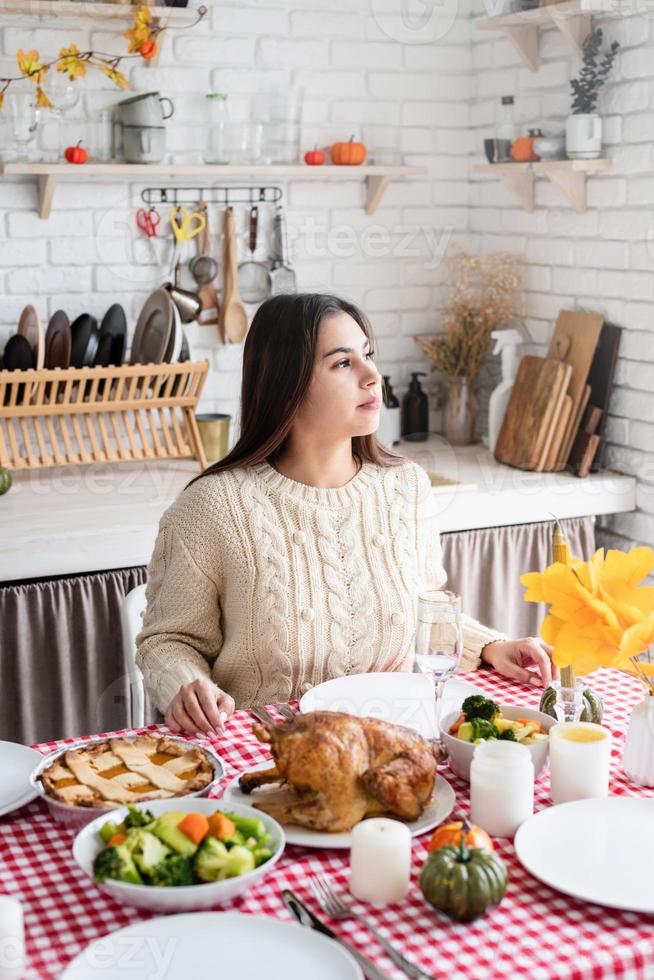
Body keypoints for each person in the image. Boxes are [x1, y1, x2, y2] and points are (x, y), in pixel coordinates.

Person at [136, 293, 556, 738]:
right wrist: (187, 683)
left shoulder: (406, 488)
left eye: (368, 355)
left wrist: (494, 645)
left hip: (393, 741)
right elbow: (167, 641)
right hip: (268, 750)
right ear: (286, 383)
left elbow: (423, 610)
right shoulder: (213, 508)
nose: (372, 376)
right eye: (342, 363)